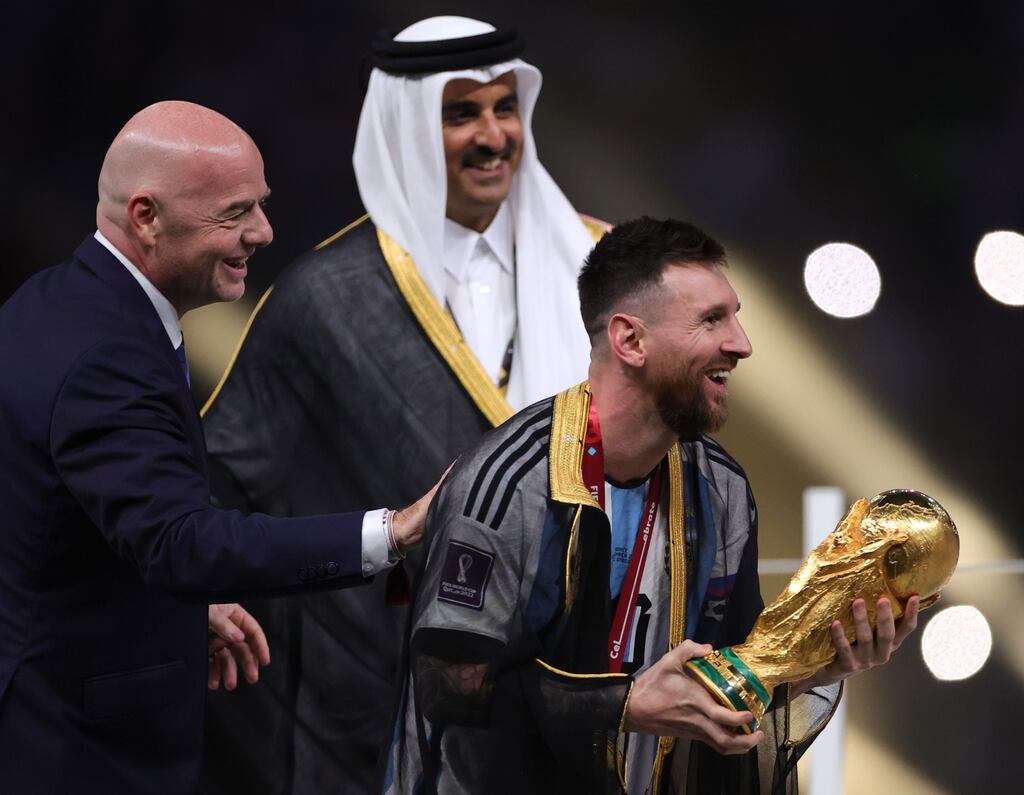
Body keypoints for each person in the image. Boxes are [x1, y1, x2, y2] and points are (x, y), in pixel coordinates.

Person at [200, 15, 605, 794]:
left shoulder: (604, 269)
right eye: (462, 113)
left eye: (504, 108)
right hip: (377, 701)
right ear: (408, 129)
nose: (493, 136)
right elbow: (220, 477)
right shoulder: (324, 299)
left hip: (578, 692)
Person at [383, 217, 920, 794]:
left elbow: (734, 667)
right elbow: (448, 683)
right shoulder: (507, 482)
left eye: (735, 315)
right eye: (712, 319)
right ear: (630, 340)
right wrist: (624, 704)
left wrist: (814, 663)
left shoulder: (721, 489)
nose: (741, 343)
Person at [0, 100, 436, 795]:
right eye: (235, 213)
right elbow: (183, 543)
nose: (263, 232)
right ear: (146, 216)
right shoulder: (104, 357)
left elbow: (61, 519)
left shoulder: (55, 301)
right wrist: (391, 531)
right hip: (75, 751)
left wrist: (171, 611)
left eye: (260, 206)